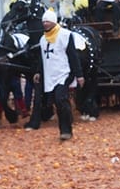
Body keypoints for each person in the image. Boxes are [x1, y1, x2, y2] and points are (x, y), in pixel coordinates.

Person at [32, 8, 83, 141]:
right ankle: (63, 129)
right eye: (43, 21)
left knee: (61, 99)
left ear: (54, 22)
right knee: (56, 101)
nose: (45, 24)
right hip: (50, 75)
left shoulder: (65, 35)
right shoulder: (43, 39)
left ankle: (67, 130)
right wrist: (38, 72)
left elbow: (73, 56)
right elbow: (42, 57)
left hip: (64, 73)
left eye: (48, 21)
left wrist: (79, 75)